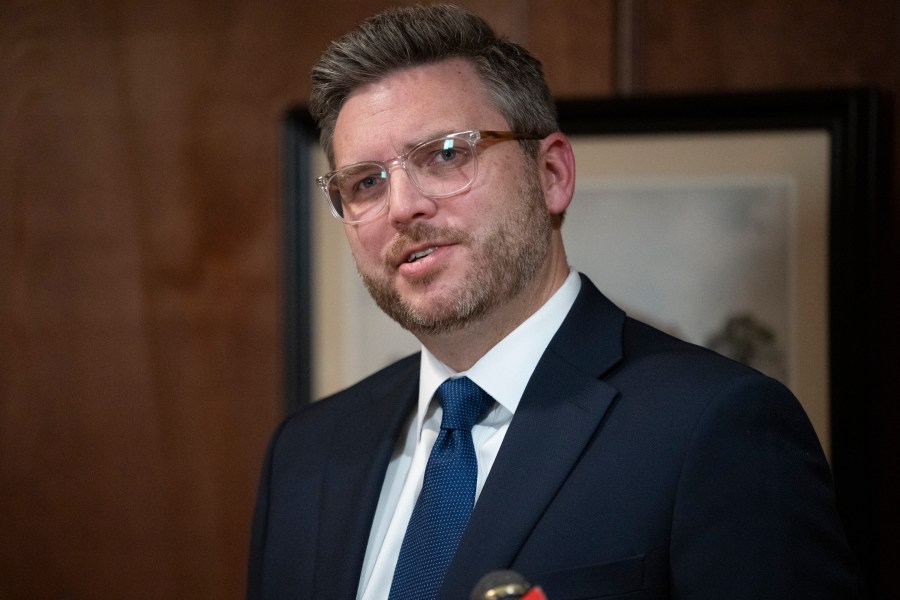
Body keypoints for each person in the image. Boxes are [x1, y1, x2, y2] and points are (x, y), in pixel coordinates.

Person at [247, 5, 857, 599]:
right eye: (366, 183)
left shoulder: (715, 427)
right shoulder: (306, 455)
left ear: (552, 175)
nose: (403, 206)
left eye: (447, 154)